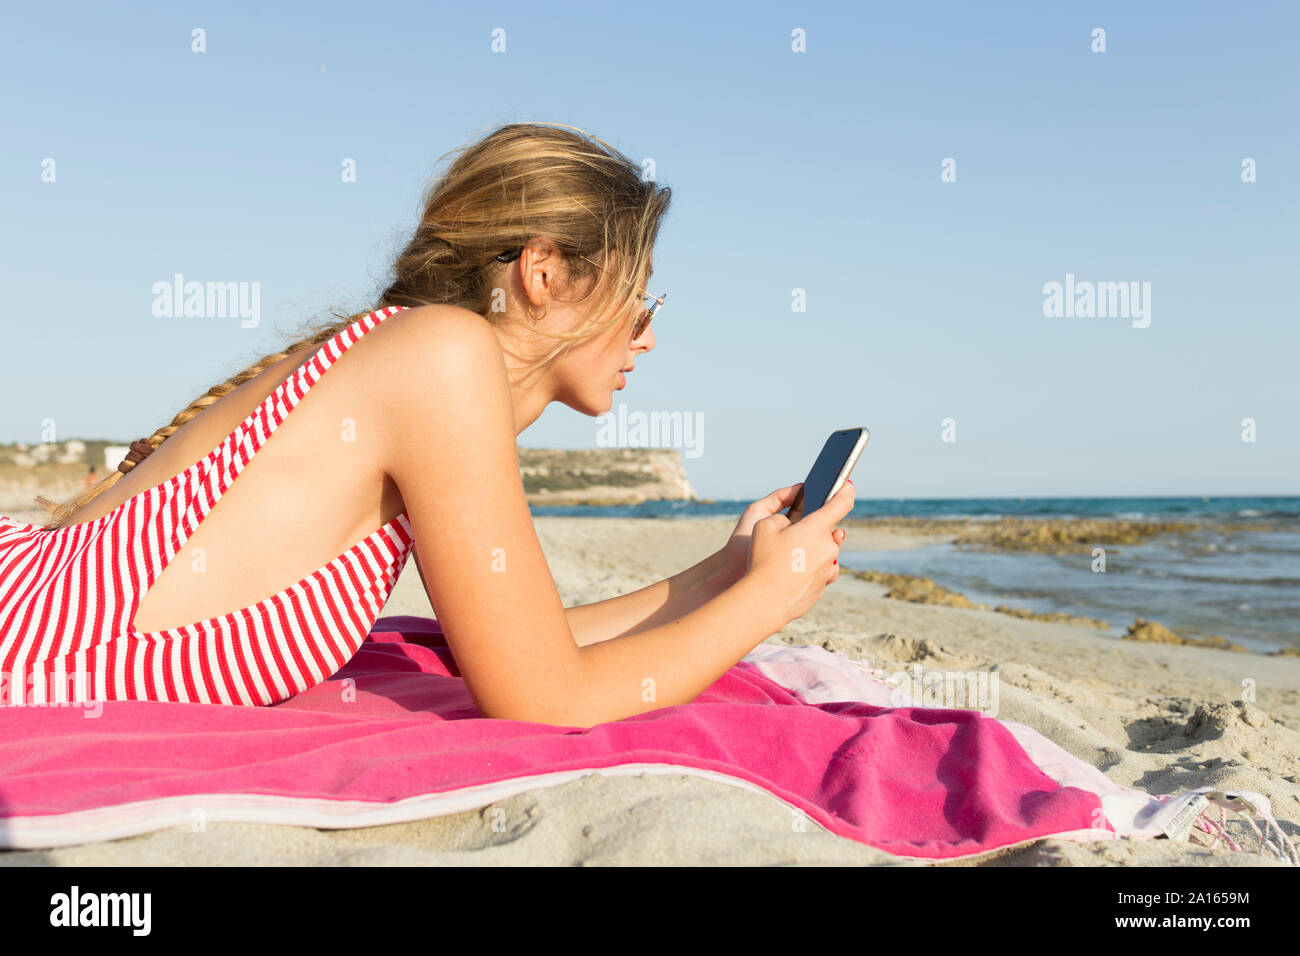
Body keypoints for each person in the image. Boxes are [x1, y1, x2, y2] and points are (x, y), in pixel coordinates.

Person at [0, 122, 851, 725]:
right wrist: (769, 603)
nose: (650, 333)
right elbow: (548, 698)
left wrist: (727, 572)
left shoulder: (417, 357)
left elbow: (525, 643)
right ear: (544, 272)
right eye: (642, 299)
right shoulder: (442, 357)